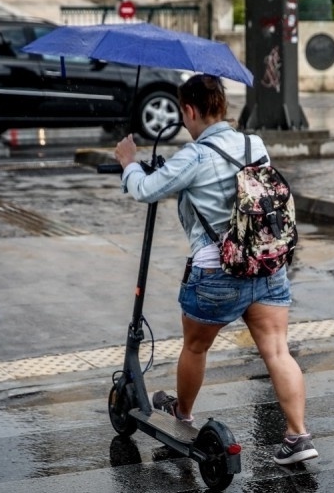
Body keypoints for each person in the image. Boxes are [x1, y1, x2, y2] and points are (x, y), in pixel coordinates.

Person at [113, 74, 318, 466]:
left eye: (182, 113)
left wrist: (128, 163)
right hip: (265, 265)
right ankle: (298, 435)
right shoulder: (252, 143)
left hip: (218, 273)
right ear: (221, 106)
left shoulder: (195, 156)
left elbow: (146, 189)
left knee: (196, 346)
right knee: (277, 350)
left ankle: (183, 415)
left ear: (189, 110)